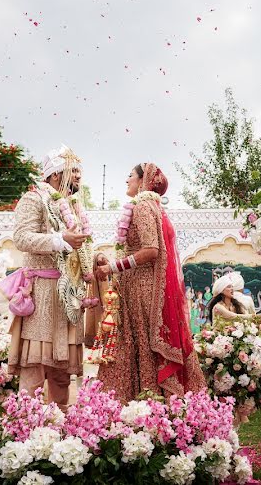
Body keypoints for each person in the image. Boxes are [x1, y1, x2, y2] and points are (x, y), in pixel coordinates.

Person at [95, 163, 206, 402]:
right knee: (134, 343)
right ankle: (140, 401)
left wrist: (113, 266)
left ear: (142, 181)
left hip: (142, 288)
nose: (127, 180)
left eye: (130, 175)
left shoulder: (143, 206)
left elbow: (151, 250)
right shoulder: (150, 206)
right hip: (135, 285)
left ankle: (148, 401)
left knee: (142, 343)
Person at [4, 145, 91, 409]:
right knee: (34, 367)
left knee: (62, 372)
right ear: (54, 175)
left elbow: (82, 246)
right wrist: (59, 239)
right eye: (72, 171)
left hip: (68, 297)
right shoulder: (33, 199)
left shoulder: (73, 206)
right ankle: (26, 427)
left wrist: (93, 258)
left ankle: (61, 428)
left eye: (78, 171)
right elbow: (21, 238)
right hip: (41, 293)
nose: (78, 176)